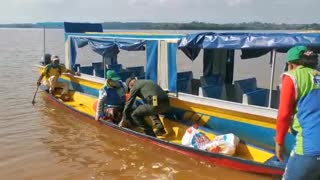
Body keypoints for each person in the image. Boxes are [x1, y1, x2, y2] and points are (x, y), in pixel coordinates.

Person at [276, 45, 320, 179]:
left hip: (308, 149)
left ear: (290, 64)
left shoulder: (292, 77)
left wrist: (279, 142)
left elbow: (284, 115)